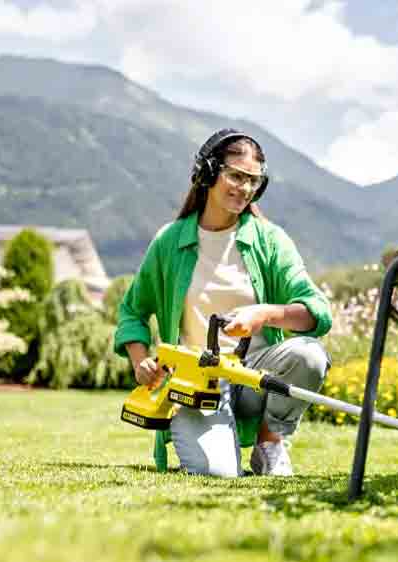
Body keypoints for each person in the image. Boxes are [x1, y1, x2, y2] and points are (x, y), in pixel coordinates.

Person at [113, 129, 332, 477]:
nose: (244, 188)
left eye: (253, 181)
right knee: (217, 472)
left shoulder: (270, 240)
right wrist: (140, 361)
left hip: (257, 374)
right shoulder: (169, 242)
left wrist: (264, 314)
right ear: (209, 173)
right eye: (235, 176)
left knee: (309, 355)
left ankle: (270, 443)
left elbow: (316, 313)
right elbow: (131, 313)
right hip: (198, 381)